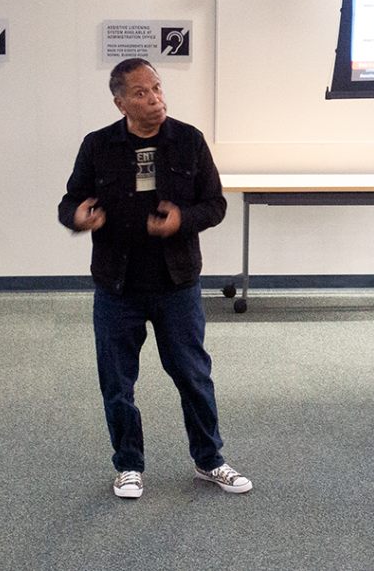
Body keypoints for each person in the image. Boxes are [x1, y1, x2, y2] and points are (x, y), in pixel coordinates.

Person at [58, 58, 251, 498]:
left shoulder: (188, 141)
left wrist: (182, 219)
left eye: (158, 88)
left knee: (193, 375)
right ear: (121, 102)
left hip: (176, 282)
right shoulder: (98, 145)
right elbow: (70, 200)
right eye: (142, 93)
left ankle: (210, 460)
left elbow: (215, 204)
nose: (155, 99)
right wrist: (77, 216)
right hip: (117, 285)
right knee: (117, 382)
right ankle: (128, 465)